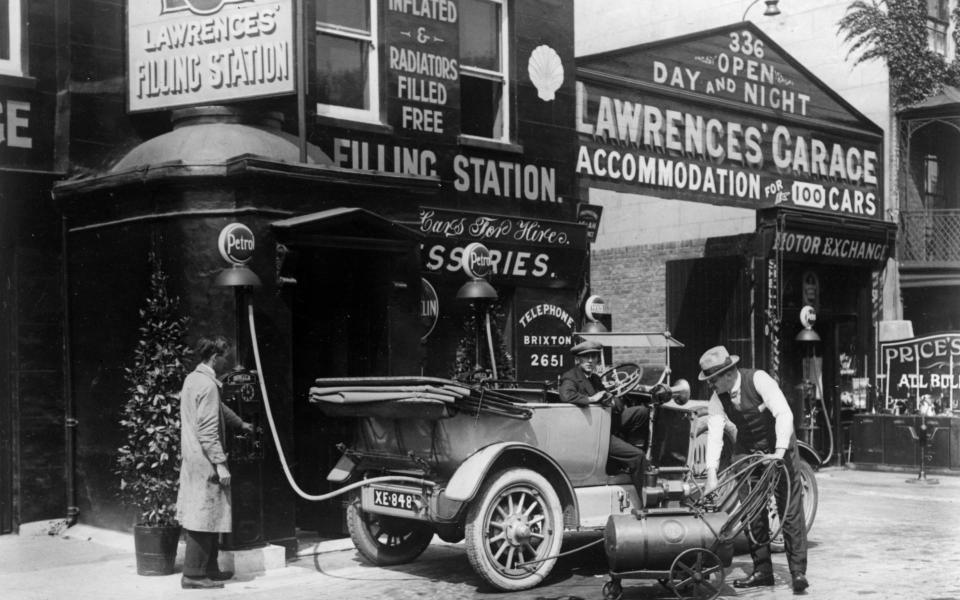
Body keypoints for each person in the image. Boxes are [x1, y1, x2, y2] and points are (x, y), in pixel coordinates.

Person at [699, 345, 809, 594]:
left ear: (727, 374)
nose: (710, 386)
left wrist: (779, 453)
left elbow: (784, 413)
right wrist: (712, 474)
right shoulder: (718, 398)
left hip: (779, 446)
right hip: (748, 450)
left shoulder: (759, 379)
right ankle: (762, 571)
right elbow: (715, 434)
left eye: (712, 380)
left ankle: (798, 572)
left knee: (789, 510)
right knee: (751, 511)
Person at [176, 336, 253, 590]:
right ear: (214, 358)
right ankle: (193, 575)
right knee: (204, 515)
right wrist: (220, 463)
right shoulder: (208, 385)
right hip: (206, 460)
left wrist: (240, 423)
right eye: (225, 358)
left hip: (192, 458)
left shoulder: (193, 380)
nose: (227, 364)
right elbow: (208, 430)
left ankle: (209, 569)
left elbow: (216, 408)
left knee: (209, 513)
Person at [558, 340, 649, 497]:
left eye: (593, 357)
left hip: (605, 422)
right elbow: (566, 395)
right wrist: (593, 399)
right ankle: (646, 497)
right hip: (594, 434)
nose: (591, 361)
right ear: (578, 360)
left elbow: (615, 401)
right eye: (586, 357)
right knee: (637, 457)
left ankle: (629, 460)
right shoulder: (570, 377)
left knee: (641, 412)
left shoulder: (595, 379)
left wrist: (612, 400)